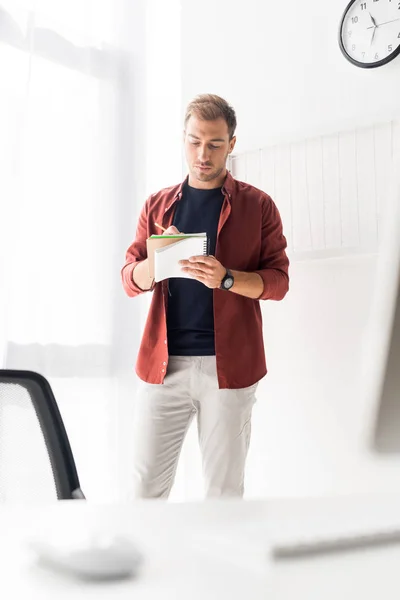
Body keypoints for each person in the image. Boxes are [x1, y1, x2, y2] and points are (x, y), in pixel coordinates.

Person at [121, 94, 289, 499]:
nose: (203, 153)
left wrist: (227, 278)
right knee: (144, 491)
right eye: (195, 141)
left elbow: (278, 282)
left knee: (223, 493)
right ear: (183, 138)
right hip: (164, 367)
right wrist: (157, 262)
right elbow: (130, 279)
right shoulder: (157, 205)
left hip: (228, 370)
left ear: (232, 144)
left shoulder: (258, 205)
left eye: (215, 144)